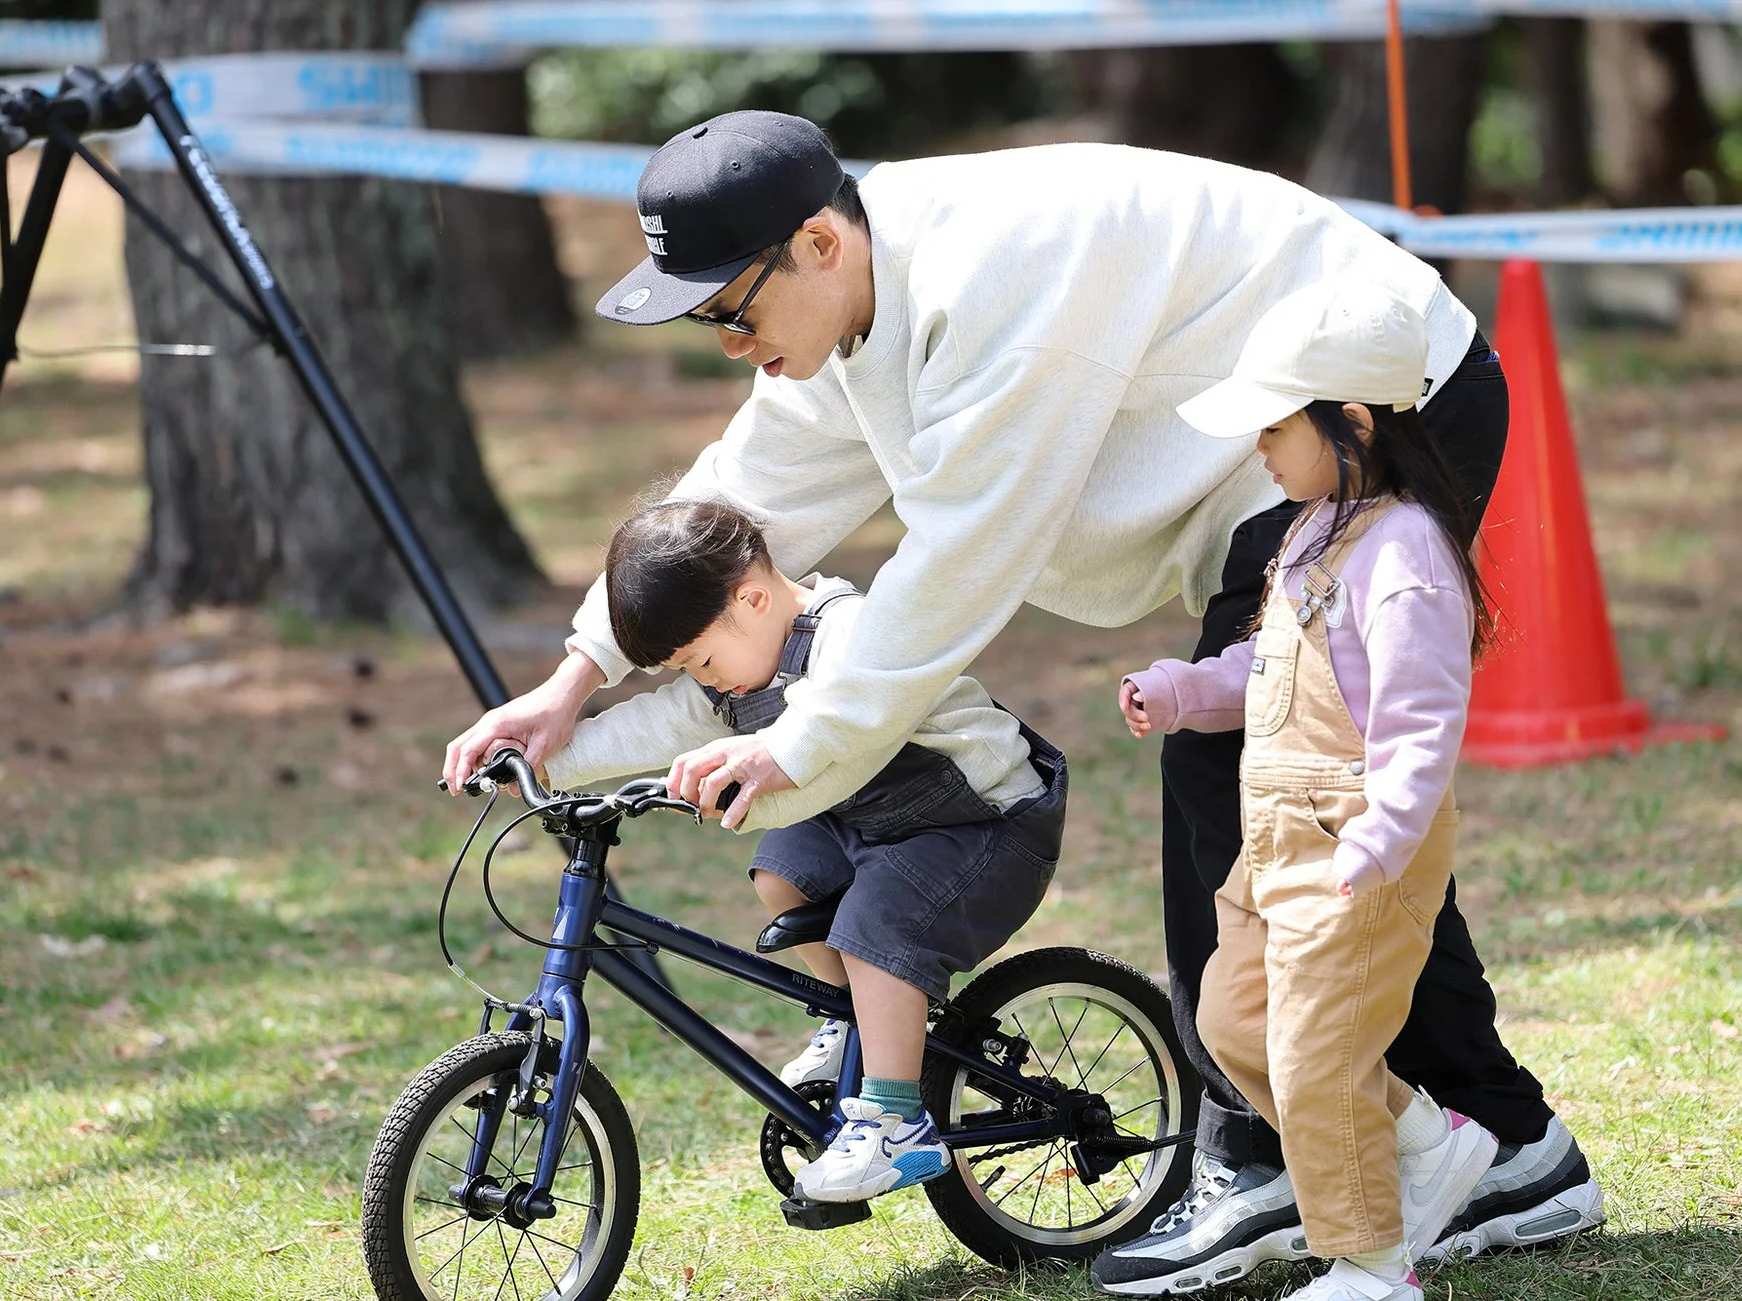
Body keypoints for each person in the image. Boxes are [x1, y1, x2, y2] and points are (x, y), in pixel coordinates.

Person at [442, 111, 1602, 1287]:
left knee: (1251, 776)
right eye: (705, 321)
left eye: (731, 309)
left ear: (820, 244)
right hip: (1251, 450)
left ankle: (1260, 1155)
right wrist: (571, 678)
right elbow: (743, 499)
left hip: (1371, 401)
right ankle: (1506, 1139)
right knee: (1306, 800)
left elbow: (954, 574)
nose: (729, 343)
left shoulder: (997, 298)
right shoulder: (847, 307)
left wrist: (800, 744)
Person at [1112, 283, 1498, 1300]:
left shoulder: (1405, 551)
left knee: (1317, 1051)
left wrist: (1382, 840)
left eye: (1276, 426)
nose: (1260, 450)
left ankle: (1372, 1262)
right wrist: (1187, 688)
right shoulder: (1313, 529)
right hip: (1277, 836)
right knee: (1234, 1022)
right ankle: (1423, 1135)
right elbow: (1270, 669)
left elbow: (1422, 720)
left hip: (1355, 838)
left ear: (1356, 421)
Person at [537, 497, 1066, 1204]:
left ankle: (894, 1122)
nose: (703, 679)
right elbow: (660, 721)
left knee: (878, 924)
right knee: (783, 867)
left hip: (981, 821)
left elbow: (835, 714)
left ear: (752, 600)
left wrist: (753, 758)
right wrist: (547, 759)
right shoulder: (738, 673)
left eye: (700, 659)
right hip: (875, 821)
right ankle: (854, 1019)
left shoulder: (848, 634)